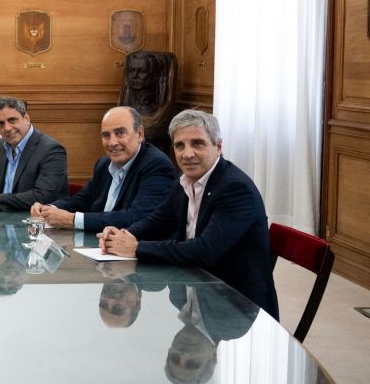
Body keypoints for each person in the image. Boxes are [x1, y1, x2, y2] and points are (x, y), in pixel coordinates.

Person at [98, 109, 279, 319]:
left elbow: (204, 250)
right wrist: (122, 235)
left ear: (218, 146)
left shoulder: (236, 188)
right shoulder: (183, 181)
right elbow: (158, 222)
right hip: (194, 295)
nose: (187, 154)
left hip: (236, 308)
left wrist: (135, 248)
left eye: (197, 144)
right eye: (180, 145)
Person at [31, 106, 176, 232]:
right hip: (97, 243)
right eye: (106, 135)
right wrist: (49, 208)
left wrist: (73, 220)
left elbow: (138, 217)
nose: (112, 142)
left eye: (120, 133)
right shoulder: (104, 163)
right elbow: (83, 200)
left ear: (140, 134)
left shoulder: (156, 164)